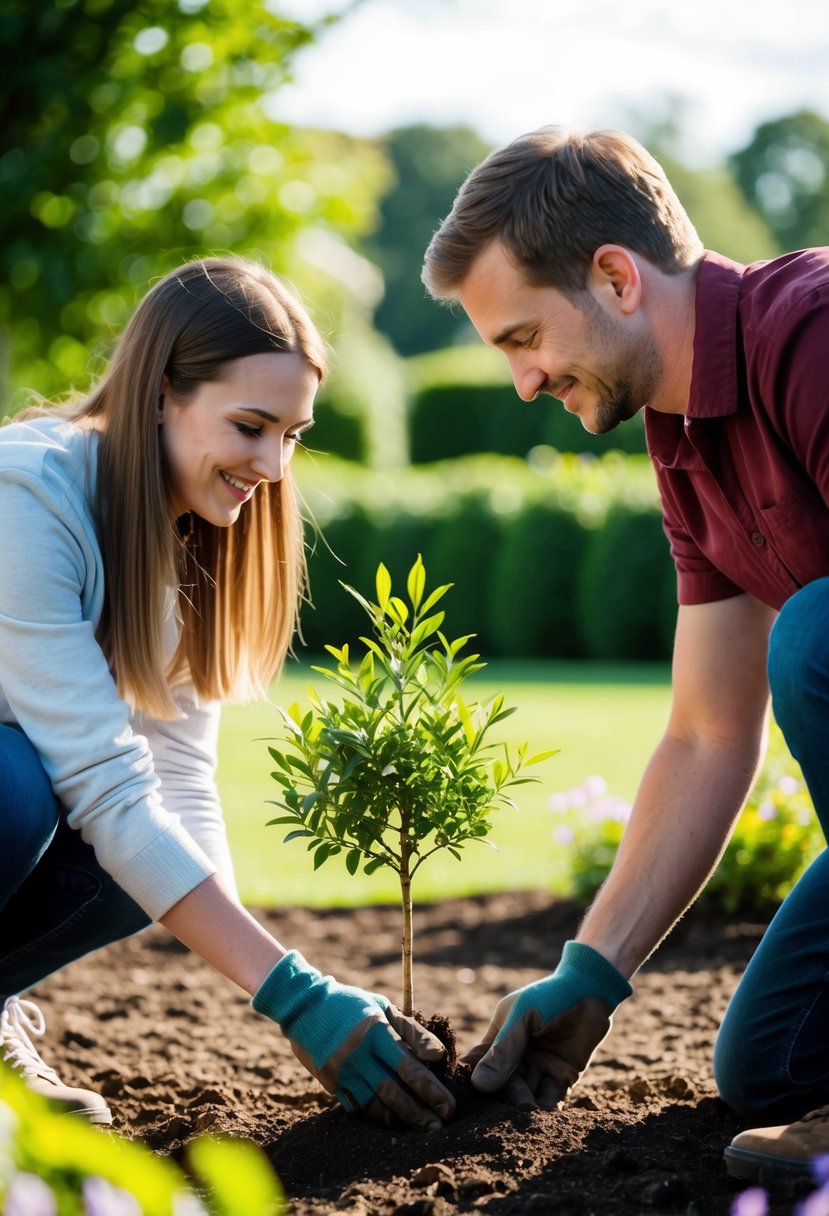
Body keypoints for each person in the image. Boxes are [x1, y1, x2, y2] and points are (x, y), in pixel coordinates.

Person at [421, 126, 829, 1181]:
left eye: (521, 339)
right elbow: (705, 732)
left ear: (613, 278)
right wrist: (591, 970)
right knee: (769, 1064)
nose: (520, 382)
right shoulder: (681, 431)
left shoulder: (813, 332)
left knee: (817, 635)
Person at [0, 256, 455, 1133]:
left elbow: (178, 786)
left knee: (137, 867)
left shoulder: (179, 538)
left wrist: (278, 984)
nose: (273, 466)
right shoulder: (29, 498)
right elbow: (104, 782)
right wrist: (293, 994)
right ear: (160, 392)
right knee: (19, 787)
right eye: (250, 426)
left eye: (291, 435)